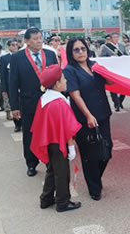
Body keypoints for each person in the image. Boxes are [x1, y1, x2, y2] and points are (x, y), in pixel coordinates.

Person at [63, 38, 114, 201]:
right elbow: (75, 95)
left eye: (83, 49)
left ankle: (95, 179)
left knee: (107, 150)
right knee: (90, 154)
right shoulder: (69, 70)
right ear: (71, 52)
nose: (80, 52)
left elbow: (110, 82)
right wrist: (88, 115)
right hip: (84, 118)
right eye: (76, 50)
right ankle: (94, 188)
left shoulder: (95, 66)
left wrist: (109, 73)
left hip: (103, 113)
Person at [30, 64, 82, 212]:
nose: (66, 81)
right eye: (64, 79)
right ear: (57, 84)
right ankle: (62, 202)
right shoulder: (59, 102)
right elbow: (67, 128)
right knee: (62, 173)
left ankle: (46, 199)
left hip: (48, 141)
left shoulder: (44, 98)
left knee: (52, 170)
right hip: (59, 142)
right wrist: (71, 147)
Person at [9, 27, 59, 177]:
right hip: (29, 102)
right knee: (30, 134)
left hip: (50, 101)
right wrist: (14, 106)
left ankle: (50, 160)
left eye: (40, 38)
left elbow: (57, 76)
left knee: (50, 132)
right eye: (35, 38)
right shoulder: (17, 58)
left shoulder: (50, 54)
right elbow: (13, 83)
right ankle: (31, 163)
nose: (39, 41)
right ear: (26, 41)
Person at [100, 32, 126, 111]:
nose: (116, 39)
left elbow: (126, 55)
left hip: (121, 70)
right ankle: (116, 104)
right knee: (113, 88)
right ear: (111, 38)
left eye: (117, 37)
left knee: (123, 88)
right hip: (111, 70)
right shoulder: (106, 47)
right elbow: (102, 58)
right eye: (114, 37)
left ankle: (120, 101)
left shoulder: (122, 46)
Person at [0, 39, 21, 130]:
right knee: (14, 104)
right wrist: (4, 89)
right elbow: (3, 74)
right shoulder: (4, 58)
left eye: (16, 45)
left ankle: (23, 122)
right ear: (9, 47)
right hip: (10, 86)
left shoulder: (22, 56)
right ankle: (17, 124)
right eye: (12, 45)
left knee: (22, 104)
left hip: (21, 84)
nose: (15, 47)